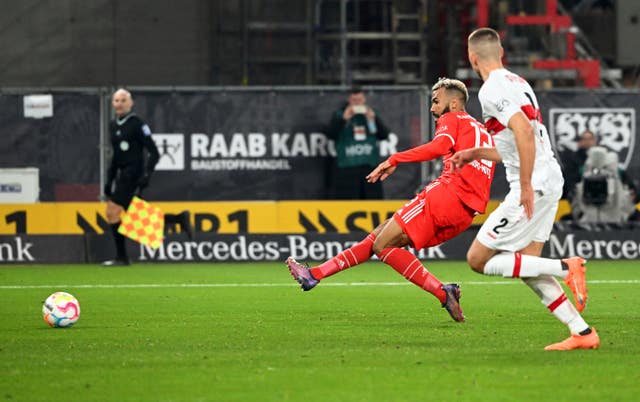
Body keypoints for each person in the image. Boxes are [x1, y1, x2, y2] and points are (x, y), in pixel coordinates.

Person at [286, 78, 495, 322]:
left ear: (455, 102)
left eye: (436, 102)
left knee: (382, 245)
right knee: (380, 235)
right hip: (465, 213)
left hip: (446, 196)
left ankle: (442, 292)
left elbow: (439, 147)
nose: (432, 108)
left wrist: (395, 158)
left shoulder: (452, 118)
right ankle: (315, 274)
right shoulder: (481, 130)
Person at [451, 27, 599, 350]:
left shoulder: (491, 90)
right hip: (550, 178)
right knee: (526, 264)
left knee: (477, 258)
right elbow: (518, 141)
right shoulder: (519, 82)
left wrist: (526, 186)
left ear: (472, 58)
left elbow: (523, 132)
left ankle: (566, 266)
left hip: (533, 183)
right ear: (501, 53)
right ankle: (583, 333)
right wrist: (476, 152)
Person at [103, 89, 159, 266]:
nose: (119, 104)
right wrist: (109, 180)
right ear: (112, 103)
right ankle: (179, 219)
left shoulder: (137, 123)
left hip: (133, 174)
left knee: (112, 210)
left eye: (123, 100)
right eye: (116, 100)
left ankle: (122, 257)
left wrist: (146, 175)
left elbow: (154, 152)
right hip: (122, 174)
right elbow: (116, 156)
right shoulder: (113, 125)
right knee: (136, 215)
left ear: (131, 103)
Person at [326, 85, 390, 199]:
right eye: (354, 100)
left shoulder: (371, 114)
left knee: (372, 200)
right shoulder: (340, 114)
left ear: (364, 99)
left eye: (359, 100)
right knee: (348, 201)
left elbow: (384, 135)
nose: (357, 103)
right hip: (347, 167)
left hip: (369, 166)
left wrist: (372, 119)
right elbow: (331, 135)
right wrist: (343, 119)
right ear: (349, 100)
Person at [560, 130, 597, 200]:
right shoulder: (572, 159)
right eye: (585, 139)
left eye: (590, 139)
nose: (588, 142)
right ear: (580, 142)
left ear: (595, 141)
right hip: (579, 195)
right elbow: (570, 181)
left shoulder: (602, 158)